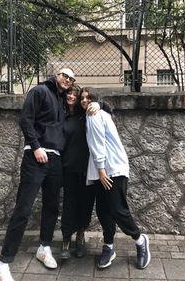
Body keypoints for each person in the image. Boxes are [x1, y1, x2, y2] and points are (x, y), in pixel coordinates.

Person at [0, 68, 76, 281]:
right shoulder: (39, 91)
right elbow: (25, 119)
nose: (67, 80)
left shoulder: (62, 101)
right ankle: (3, 265)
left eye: (71, 78)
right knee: (23, 208)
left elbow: (84, 108)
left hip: (55, 159)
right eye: (65, 75)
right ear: (57, 75)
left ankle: (44, 247)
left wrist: (98, 105)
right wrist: (35, 145)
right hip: (36, 156)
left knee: (51, 206)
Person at [80, 88, 151, 270]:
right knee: (103, 210)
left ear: (96, 99)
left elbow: (98, 145)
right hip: (102, 169)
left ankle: (139, 239)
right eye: (82, 98)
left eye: (89, 97)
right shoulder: (97, 112)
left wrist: (102, 171)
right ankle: (109, 247)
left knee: (117, 209)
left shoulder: (94, 115)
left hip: (111, 169)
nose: (85, 100)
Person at [60, 85, 115, 260]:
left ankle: (80, 236)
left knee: (86, 205)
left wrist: (99, 104)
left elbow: (107, 109)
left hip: (89, 170)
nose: (73, 97)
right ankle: (66, 239)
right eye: (69, 93)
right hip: (69, 168)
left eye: (75, 94)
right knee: (69, 204)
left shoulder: (88, 114)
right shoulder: (62, 116)